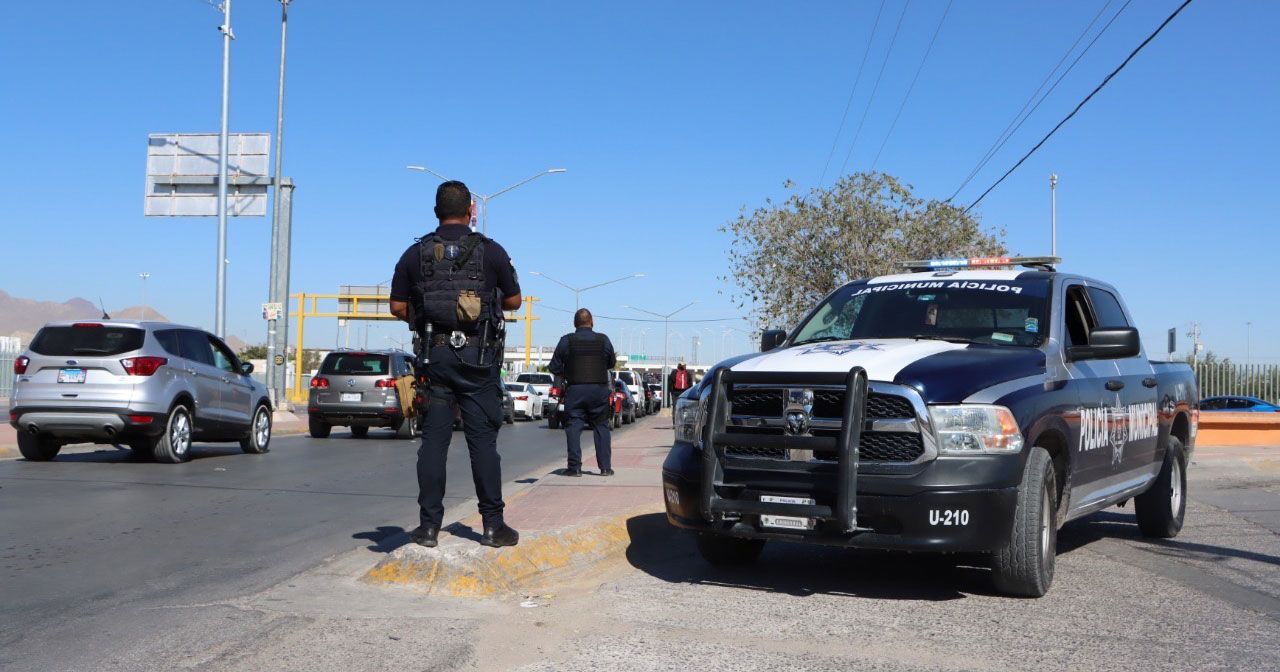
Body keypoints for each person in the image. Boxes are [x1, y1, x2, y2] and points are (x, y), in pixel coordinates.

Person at [390, 180, 522, 549]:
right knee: (483, 444)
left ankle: (428, 528)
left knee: (434, 442)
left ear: (436, 211)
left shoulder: (413, 254)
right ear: (471, 212)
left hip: (435, 357)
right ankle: (493, 527)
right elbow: (514, 301)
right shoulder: (492, 252)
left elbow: (397, 307)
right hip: (479, 360)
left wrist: (427, 315)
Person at [547, 308, 616, 477]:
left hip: (575, 390)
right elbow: (611, 363)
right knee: (601, 426)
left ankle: (575, 468)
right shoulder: (603, 340)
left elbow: (554, 367)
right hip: (598, 390)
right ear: (592, 322)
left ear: (574, 324)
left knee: (573, 427)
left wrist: (568, 374)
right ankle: (605, 468)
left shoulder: (566, 341)